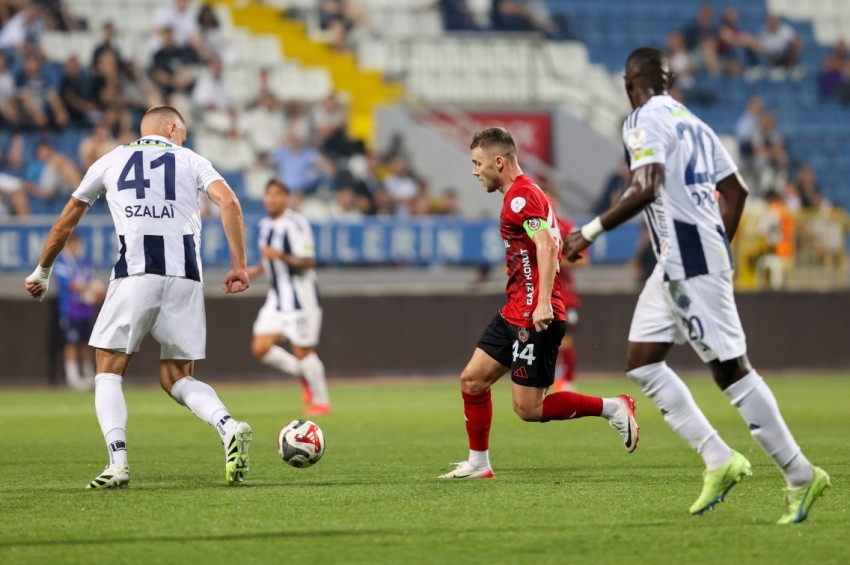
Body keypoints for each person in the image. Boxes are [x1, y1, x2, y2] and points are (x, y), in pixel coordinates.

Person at [563, 47, 830, 523]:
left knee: (732, 371)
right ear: (667, 80)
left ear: (629, 84)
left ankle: (800, 474)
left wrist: (590, 231)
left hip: (690, 263)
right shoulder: (696, 124)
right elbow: (736, 191)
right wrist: (712, 241)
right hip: (679, 261)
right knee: (643, 362)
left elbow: (646, 184)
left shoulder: (641, 119)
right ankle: (718, 458)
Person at [24, 105, 254, 489]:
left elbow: (67, 220)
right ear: (171, 127)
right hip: (185, 277)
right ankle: (228, 425)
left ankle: (118, 462)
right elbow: (229, 201)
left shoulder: (111, 160)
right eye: (183, 131)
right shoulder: (191, 159)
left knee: (108, 370)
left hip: (135, 273)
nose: (184, 137)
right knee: (177, 376)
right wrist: (239, 266)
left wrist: (43, 270)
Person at [438, 128, 639, 480]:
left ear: (498, 162)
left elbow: (546, 245)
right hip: (515, 310)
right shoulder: (521, 194)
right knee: (472, 380)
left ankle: (614, 407)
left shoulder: (521, 197)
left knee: (528, 409)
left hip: (535, 316)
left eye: (477, 163)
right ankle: (478, 463)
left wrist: (543, 303)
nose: (474, 171)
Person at [247, 178, 331, 416]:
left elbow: (307, 261)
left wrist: (280, 256)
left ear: (286, 198)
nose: (272, 199)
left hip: (301, 298)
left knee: (303, 352)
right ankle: (304, 375)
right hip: (276, 298)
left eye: (277, 194)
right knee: (260, 348)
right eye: (268, 194)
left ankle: (321, 402)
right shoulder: (265, 225)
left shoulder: (296, 224)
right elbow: (268, 259)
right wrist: (254, 271)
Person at [54, 233, 103, 390]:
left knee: (85, 342)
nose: (77, 247)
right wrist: (90, 288)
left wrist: (97, 292)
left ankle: (88, 374)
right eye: (74, 244)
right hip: (70, 309)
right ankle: (73, 376)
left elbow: (90, 281)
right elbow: (70, 284)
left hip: (85, 310)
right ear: (68, 245)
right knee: (71, 342)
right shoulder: (62, 262)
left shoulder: (84, 261)